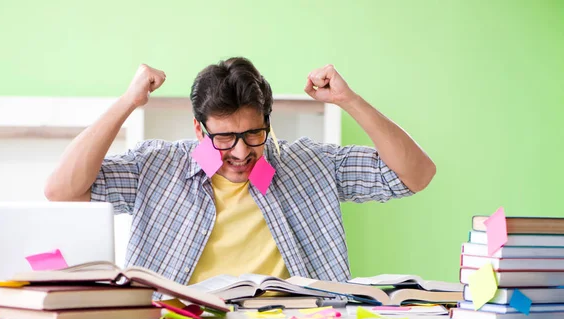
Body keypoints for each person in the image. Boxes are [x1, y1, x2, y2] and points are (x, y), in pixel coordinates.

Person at [44, 57, 436, 286]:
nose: (241, 152)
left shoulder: (310, 166)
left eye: (254, 134)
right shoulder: (157, 168)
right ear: (198, 128)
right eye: (224, 138)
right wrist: (128, 102)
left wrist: (347, 100)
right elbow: (61, 190)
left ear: (267, 121)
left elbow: (415, 175)